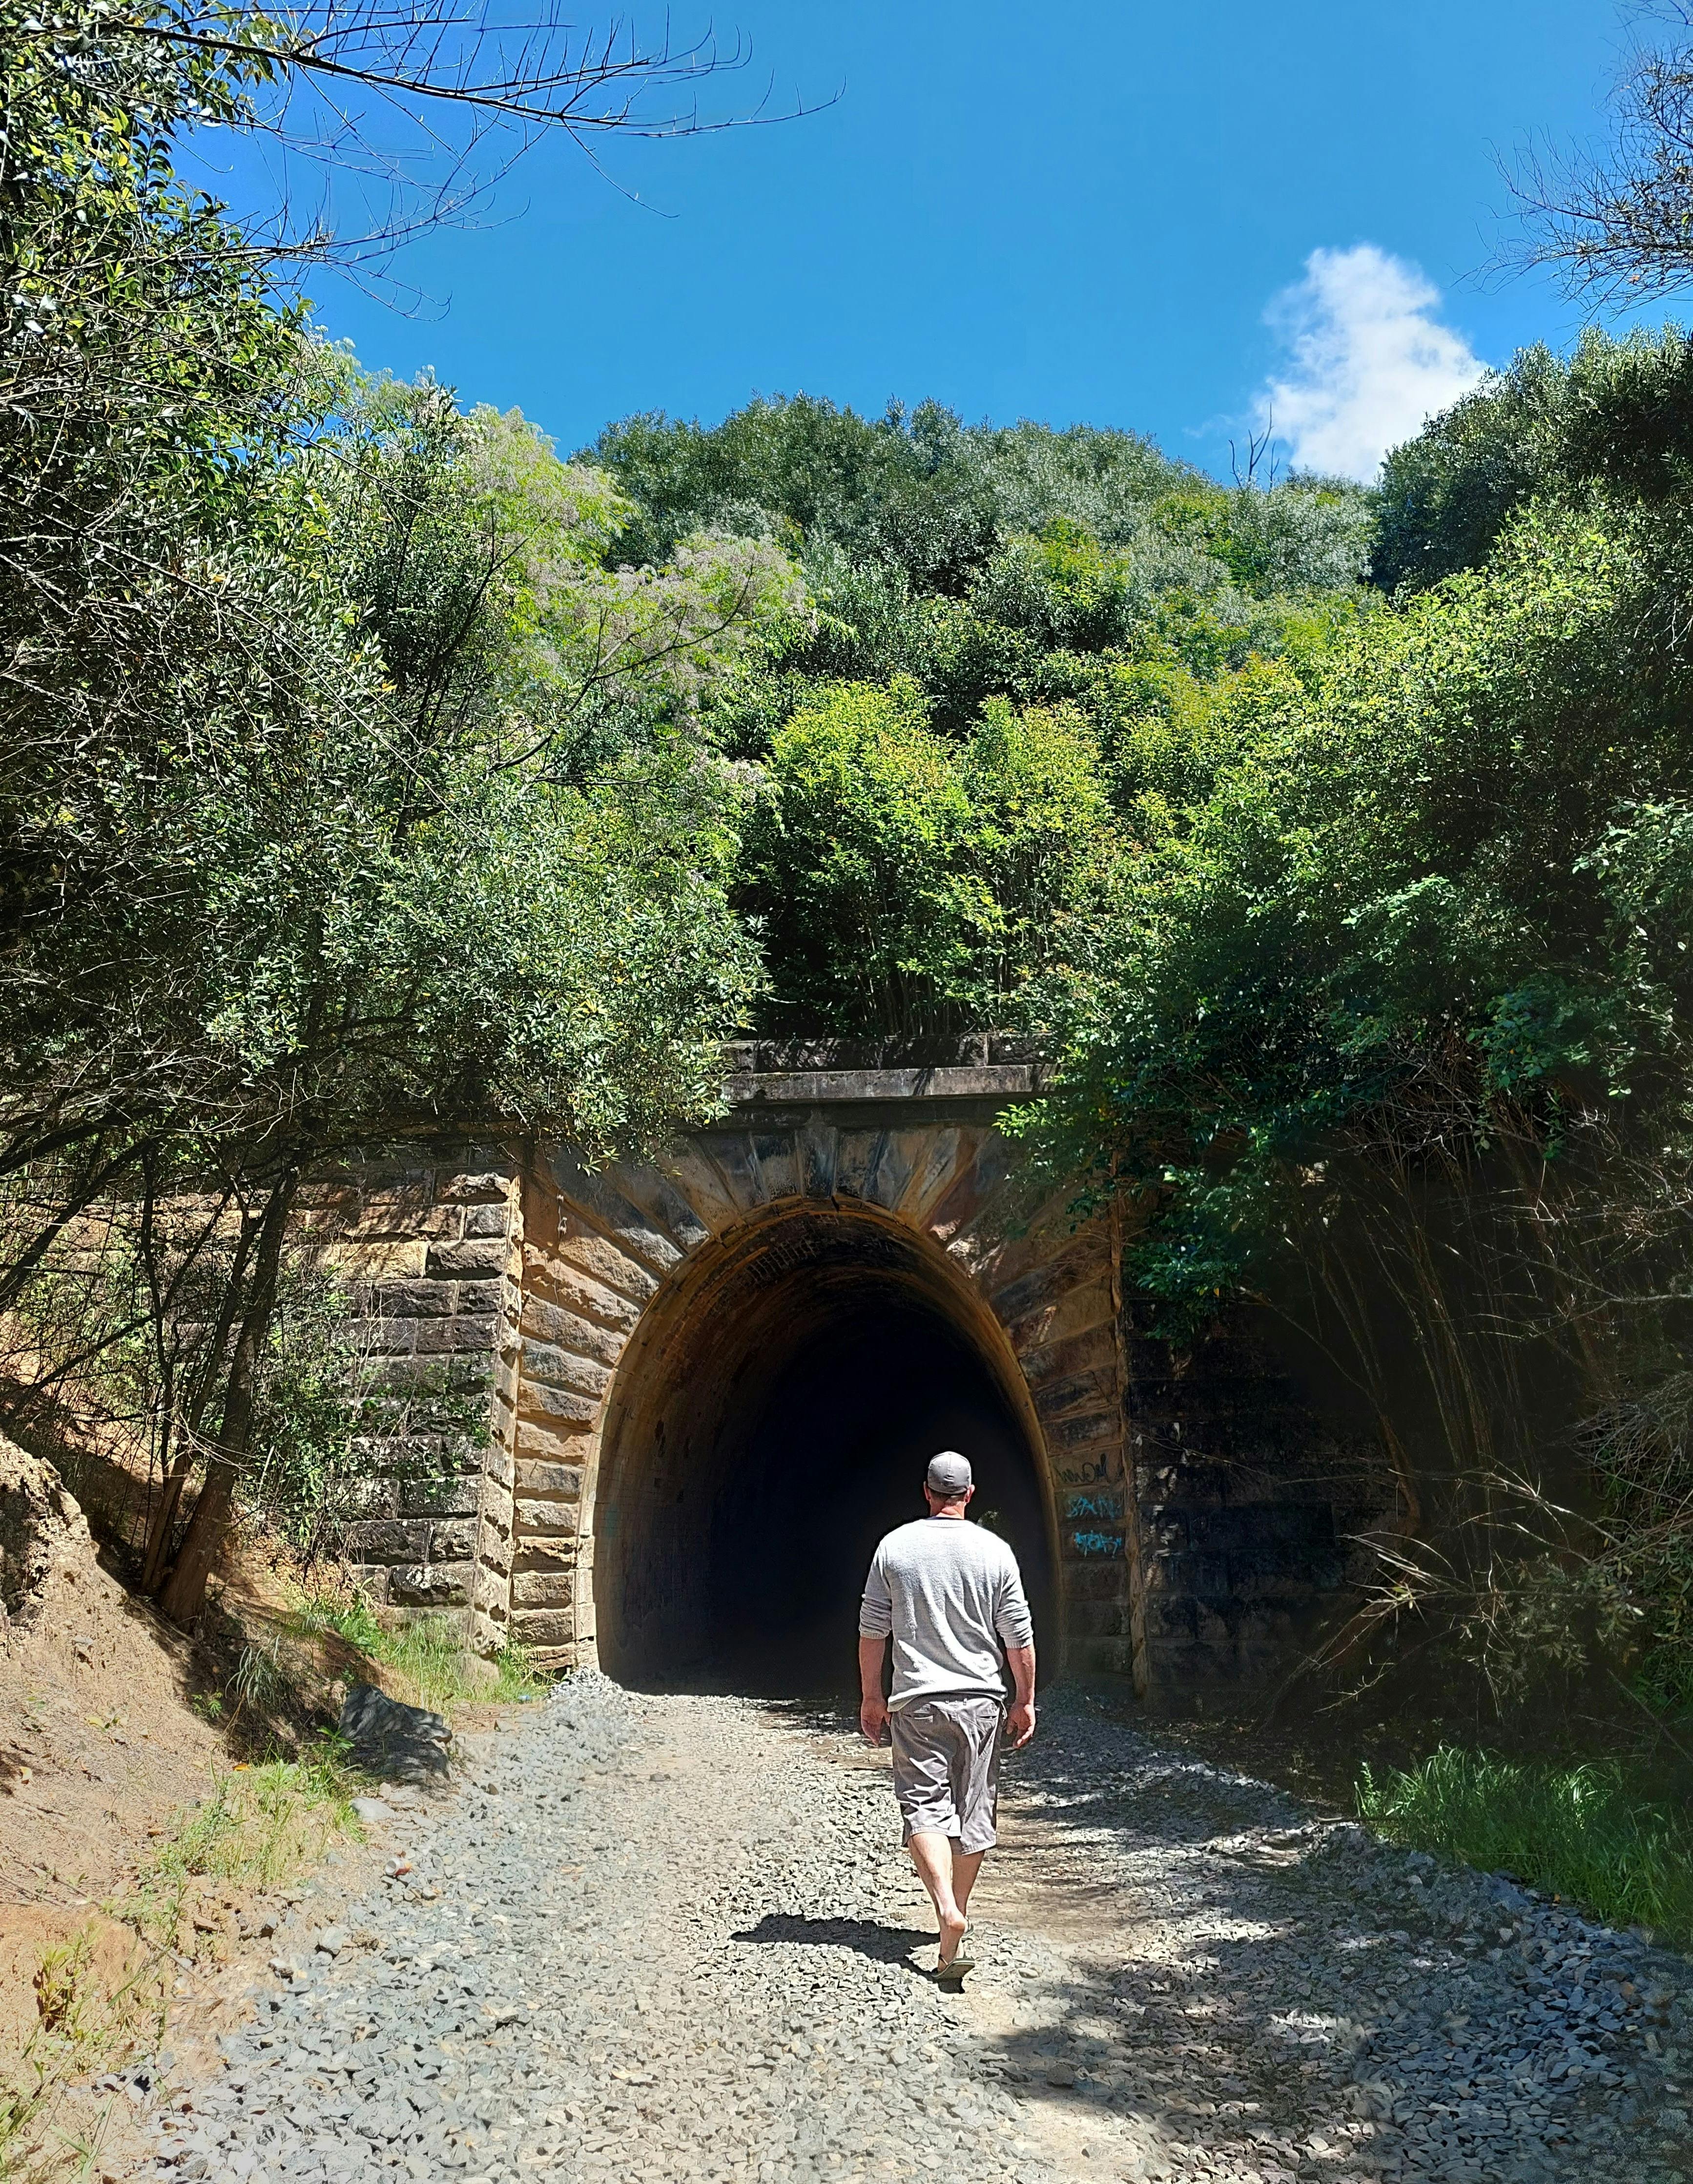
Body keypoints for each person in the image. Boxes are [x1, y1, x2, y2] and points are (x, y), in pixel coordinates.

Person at [857, 1450, 1036, 1975]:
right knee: (974, 1810)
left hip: (917, 1700)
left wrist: (871, 1694)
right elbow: (1018, 1636)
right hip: (981, 1699)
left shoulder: (895, 1547)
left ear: (927, 1492)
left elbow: (873, 1628)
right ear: (970, 1494)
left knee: (924, 1807)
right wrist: (1024, 1698)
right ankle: (956, 1914)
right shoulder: (995, 1551)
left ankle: (946, 1909)